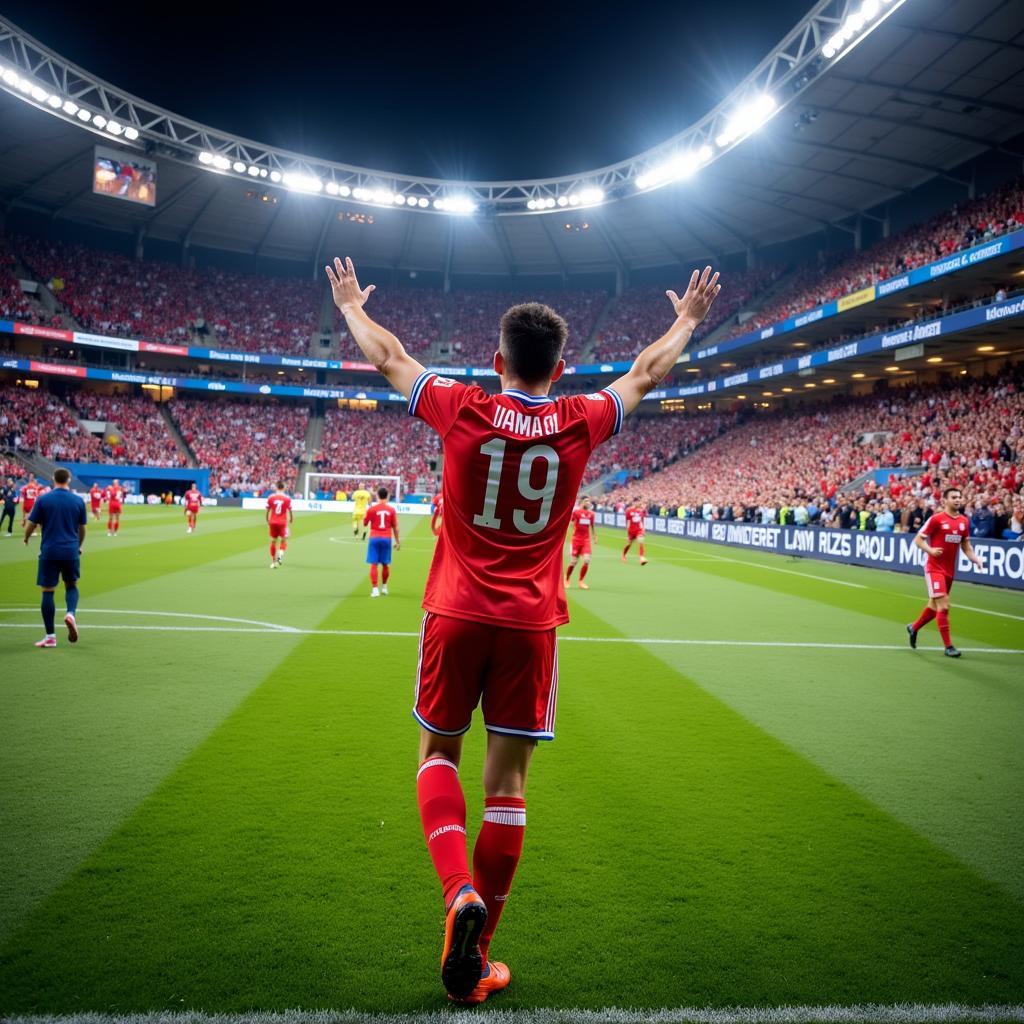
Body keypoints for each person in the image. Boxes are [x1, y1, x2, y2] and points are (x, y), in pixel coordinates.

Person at [326, 255, 720, 1004]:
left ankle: (456, 895)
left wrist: (349, 307)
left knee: (438, 752)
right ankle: (480, 955)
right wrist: (688, 321)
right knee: (507, 785)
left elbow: (388, 356)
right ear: (562, 367)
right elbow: (645, 373)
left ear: (496, 360)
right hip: (532, 624)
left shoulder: (461, 406)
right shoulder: (580, 420)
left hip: (454, 613)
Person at [907, 487, 983, 658]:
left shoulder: (964, 521)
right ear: (945, 500)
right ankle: (948, 647)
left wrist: (976, 559)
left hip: (949, 570)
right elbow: (918, 539)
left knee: (934, 608)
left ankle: (913, 627)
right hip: (934, 568)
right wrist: (930, 550)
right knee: (944, 605)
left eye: (959, 497)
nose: (958, 499)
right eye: (954, 497)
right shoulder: (936, 519)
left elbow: (966, 546)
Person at [24, 468, 86, 648]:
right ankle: (71, 613)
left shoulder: (43, 499)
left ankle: (50, 636)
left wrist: (27, 537)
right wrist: (78, 546)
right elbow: (82, 528)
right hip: (70, 550)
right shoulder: (78, 500)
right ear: (69, 479)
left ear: (53, 479)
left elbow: (32, 523)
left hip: (49, 551)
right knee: (71, 585)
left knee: (48, 591)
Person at [364, 485, 400, 596]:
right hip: (386, 538)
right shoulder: (391, 510)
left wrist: (367, 512)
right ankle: (384, 588)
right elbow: (395, 527)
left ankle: (375, 590)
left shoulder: (372, 509)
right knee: (385, 564)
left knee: (374, 564)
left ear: (377, 495)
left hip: (374, 538)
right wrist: (397, 542)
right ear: (387, 496)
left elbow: (365, 523)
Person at [565, 496, 597, 589]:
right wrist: (566, 535)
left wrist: (595, 536)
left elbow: (592, 526)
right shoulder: (576, 512)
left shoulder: (591, 514)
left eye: (589, 501)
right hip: (576, 540)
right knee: (573, 562)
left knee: (587, 560)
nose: (588, 502)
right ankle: (567, 579)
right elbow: (570, 524)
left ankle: (581, 581)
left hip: (586, 540)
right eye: (586, 501)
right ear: (582, 502)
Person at [265, 482, 293, 568]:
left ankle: (273, 562)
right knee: (283, 540)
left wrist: (267, 519)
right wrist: (291, 518)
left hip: (272, 521)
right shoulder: (287, 498)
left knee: (273, 541)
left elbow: (268, 510)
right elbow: (290, 510)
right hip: (282, 522)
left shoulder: (271, 497)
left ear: (276, 487)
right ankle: (280, 557)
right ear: (284, 487)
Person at [621, 498, 648, 565]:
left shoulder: (641, 511)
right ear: (634, 503)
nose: (639, 504)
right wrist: (627, 531)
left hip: (639, 530)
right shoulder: (629, 511)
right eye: (637, 502)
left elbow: (642, 521)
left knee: (640, 541)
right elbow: (627, 521)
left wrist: (643, 529)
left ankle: (642, 558)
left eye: (639, 502)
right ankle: (623, 555)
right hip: (631, 531)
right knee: (628, 544)